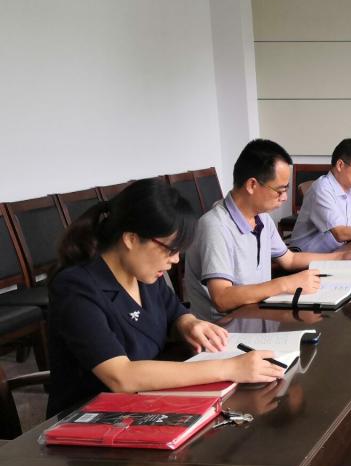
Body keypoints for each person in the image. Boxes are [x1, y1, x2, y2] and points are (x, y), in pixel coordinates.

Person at [47, 178, 283, 417]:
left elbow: (174, 311)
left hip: (148, 404)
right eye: (170, 249)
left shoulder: (144, 275)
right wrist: (229, 368)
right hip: (93, 418)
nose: (176, 260)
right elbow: (121, 376)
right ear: (131, 239)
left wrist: (189, 323)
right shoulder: (76, 288)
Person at [185, 138, 351, 321]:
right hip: (225, 329)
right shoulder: (215, 226)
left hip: (257, 315)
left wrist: (342, 257)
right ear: (252, 185)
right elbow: (222, 298)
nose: (284, 198)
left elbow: (290, 260)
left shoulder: (262, 219)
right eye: (280, 190)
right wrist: (285, 283)